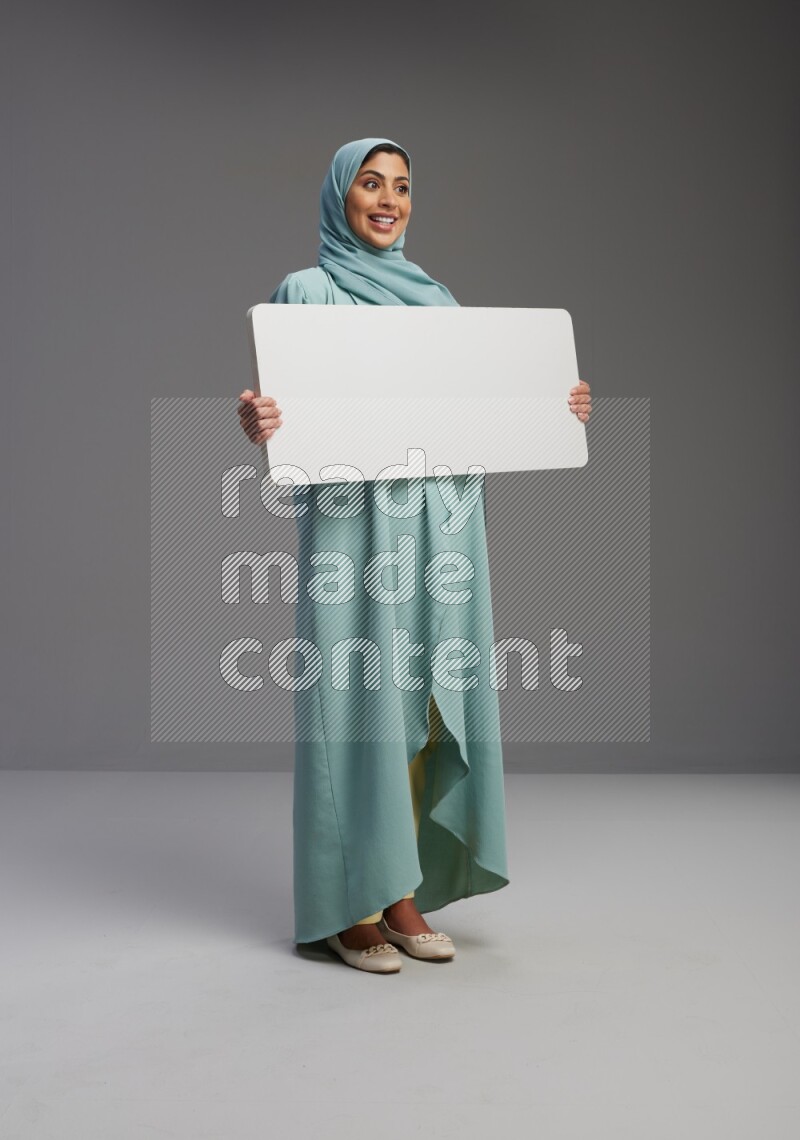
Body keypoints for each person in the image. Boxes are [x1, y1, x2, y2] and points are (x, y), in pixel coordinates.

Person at [238, 138, 592, 974]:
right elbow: (282, 407)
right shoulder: (307, 291)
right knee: (355, 701)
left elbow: (478, 408)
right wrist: (255, 420)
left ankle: (401, 893)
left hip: (443, 523)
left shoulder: (437, 300)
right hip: (353, 530)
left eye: (402, 187)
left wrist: (558, 402)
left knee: (427, 698)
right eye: (371, 184)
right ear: (340, 197)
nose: (389, 200)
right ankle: (346, 905)